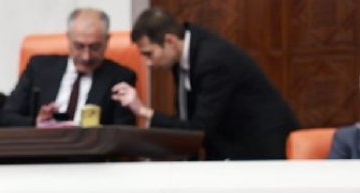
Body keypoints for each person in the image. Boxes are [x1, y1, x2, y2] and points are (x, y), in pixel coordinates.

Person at [111, 7, 299, 160]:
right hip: (230, 146)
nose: (147, 63)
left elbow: (198, 130)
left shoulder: (211, 61)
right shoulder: (182, 54)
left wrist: (144, 111)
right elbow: (186, 122)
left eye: (149, 53)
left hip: (260, 149)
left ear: (170, 41)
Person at [1, 8, 137, 127]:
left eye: (95, 47)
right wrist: (37, 124)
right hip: (41, 146)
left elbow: (124, 132)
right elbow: (7, 116)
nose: (86, 56)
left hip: (90, 147)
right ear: (68, 38)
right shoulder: (38, 68)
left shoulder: (120, 77)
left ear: (107, 41)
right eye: (79, 46)